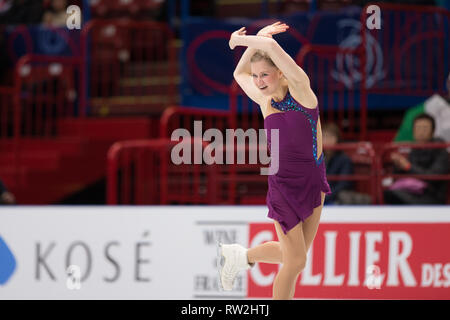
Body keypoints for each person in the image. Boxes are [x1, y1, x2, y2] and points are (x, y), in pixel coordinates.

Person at [218, 21, 331, 300]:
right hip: (282, 184)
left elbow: (269, 47)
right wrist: (253, 43)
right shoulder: (264, 101)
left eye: (265, 75)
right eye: (256, 76)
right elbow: (239, 72)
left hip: (314, 180)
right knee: (294, 263)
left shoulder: (303, 92)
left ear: (281, 73)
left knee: (298, 257)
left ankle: (241, 256)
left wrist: (247, 40)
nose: (258, 82)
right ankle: (242, 257)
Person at [384, 113, 449, 204]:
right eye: (418, 128)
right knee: (388, 193)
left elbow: (434, 177)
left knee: (392, 195)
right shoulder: (413, 150)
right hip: (411, 190)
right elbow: (399, 178)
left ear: (433, 131)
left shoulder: (441, 151)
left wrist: (408, 166)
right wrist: (398, 165)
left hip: (431, 195)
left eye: (425, 128)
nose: (421, 132)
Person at [322, 122, 354, 204]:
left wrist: (327, 196)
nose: (327, 140)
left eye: (330, 136)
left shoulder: (344, 159)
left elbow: (343, 184)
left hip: (336, 198)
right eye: (324, 136)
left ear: (337, 139)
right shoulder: (317, 158)